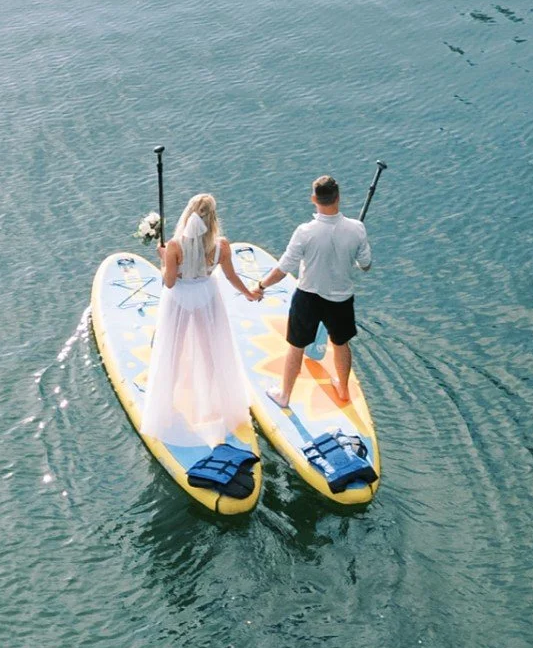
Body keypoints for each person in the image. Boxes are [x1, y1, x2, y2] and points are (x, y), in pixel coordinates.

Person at [140, 193, 260, 448]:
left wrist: (163, 260)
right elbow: (230, 276)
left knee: (173, 350)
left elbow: (169, 282)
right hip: (207, 297)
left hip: (180, 300)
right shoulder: (222, 246)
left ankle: (167, 405)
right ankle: (218, 403)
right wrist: (249, 293)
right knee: (211, 351)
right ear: (213, 218)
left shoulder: (174, 246)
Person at [252, 174, 372, 408]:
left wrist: (260, 286)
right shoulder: (357, 229)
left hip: (308, 297)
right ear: (338, 197)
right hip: (341, 299)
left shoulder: (305, 231)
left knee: (296, 345)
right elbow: (366, 265)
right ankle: (343, 388)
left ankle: (284, 395)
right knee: (340, 343)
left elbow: (283, 269)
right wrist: (354, 256)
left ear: (313, 199)